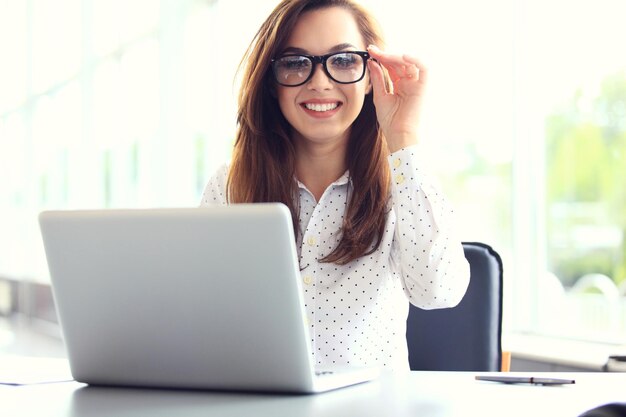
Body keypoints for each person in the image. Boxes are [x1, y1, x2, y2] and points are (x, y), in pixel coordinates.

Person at [201, 0, 470, 371]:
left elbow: (438, 291)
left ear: (371, 76)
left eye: (343, 61)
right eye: (295, 63)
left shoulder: (404, 184)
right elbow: (204, 315)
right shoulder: (230, 185)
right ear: (270, 82)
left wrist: (403, 135)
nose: (320, 82)